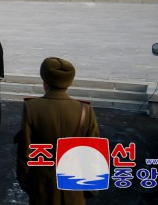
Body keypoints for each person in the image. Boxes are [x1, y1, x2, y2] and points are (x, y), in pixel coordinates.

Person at [15, 57, 99, 204]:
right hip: (75, 181)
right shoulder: (85, 110)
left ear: (45, 82)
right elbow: (94, 154)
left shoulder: (32, 108)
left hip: (42, 182)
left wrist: (26, 181)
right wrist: (90, 187)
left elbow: (25, 151)